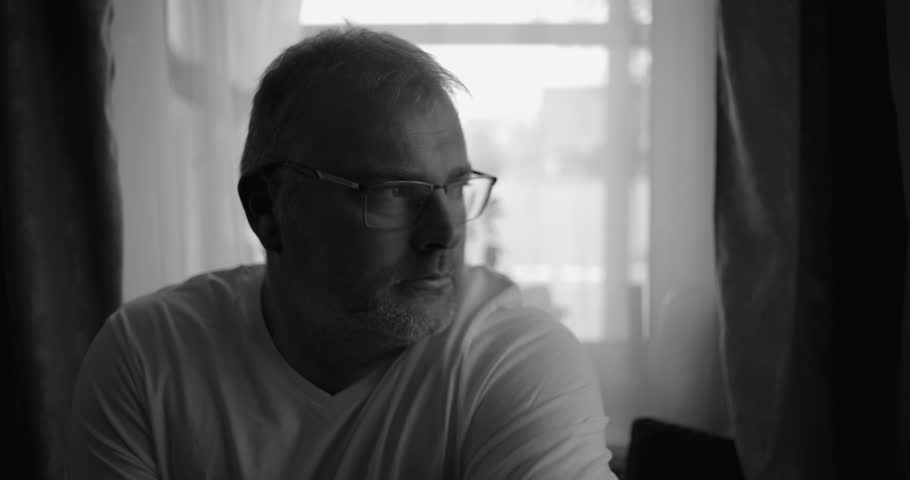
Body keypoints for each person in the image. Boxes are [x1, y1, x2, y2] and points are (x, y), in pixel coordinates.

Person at [66, 26, 618, 479]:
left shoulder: (510, 358)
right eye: (395, 193)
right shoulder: (148, 357)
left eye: (455, 187)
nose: (444, 233)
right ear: (268, 210)